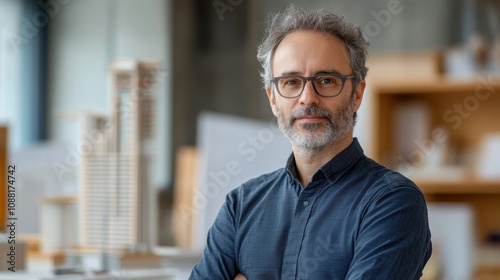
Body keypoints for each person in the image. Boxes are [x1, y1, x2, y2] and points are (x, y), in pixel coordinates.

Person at [190, 5, 432, 280]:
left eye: (326, 80)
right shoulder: (241, 205)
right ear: (272, 98)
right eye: (291, 82)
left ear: (356, 94)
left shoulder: (392, 202)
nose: (307, 98)